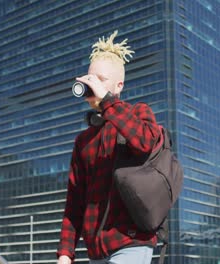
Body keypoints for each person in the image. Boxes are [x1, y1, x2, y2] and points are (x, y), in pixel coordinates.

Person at [57, 31, 161, 264]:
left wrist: (106, 102)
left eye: (100, 80)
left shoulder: (138, 113)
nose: (92, 84)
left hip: (131, 242)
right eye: (90, 78)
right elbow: (75, 200)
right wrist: (65, 253)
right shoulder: (83, 140)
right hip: (96, 252)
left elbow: (145, 143)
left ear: (118, 85)